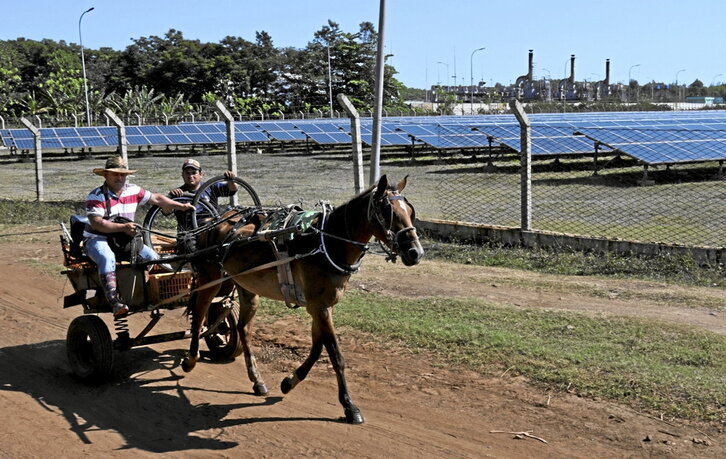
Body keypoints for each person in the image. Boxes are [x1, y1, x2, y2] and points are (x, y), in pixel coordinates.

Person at [83, 156, 195, 318]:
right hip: (98, 238)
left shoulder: (133, 190)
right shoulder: (96, 196)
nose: (120, 177)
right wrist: (123, 227)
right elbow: (97, 224)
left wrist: (181, 206)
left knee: (153, 258)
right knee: (107, 258)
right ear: (106, 175)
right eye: (115, 174)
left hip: (125, 239)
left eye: (123, 174)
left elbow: (156, 198)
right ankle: (115, 301)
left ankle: (154, 294)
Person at [169, 158, 238, 229]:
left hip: (211, 230)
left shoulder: (210, 187)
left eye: (193, 173)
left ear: (201, 174)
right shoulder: (178, 193)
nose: (190, 176)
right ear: (182, 175)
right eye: (187, 173)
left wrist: (231, 180)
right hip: (189, 233)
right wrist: (170, 200)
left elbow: (232, 190)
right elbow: (166, 212)